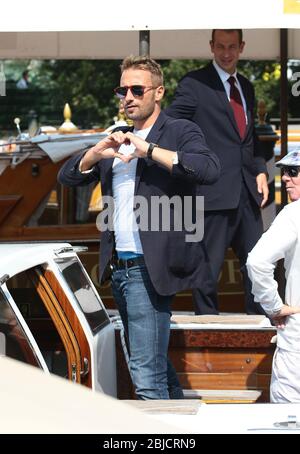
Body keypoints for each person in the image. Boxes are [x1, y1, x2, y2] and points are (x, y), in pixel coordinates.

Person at [58, 55, 220, 400]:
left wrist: (149, 150)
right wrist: (94, 154)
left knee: (146, 380)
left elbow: (207, 169)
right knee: (156, 371)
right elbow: (67, 177)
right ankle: (181, 425)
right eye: (122, 90)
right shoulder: (115, 137)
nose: (127, 97)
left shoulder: (179, 131)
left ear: (158, 92)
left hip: (150, 267)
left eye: (136, 89)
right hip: (120, 268)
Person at [165, 29, 269, 315]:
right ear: (211, 47)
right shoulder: (194, 84)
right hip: (210, 193)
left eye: (232, 47)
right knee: (207, 273)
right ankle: (207, 333)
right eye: (220, 46)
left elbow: (248, 139)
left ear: (242, 47)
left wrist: (260, 169)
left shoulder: (246, 86)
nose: (226, 53)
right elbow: (171, 125)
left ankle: (259, 332)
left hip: (247, 195)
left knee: (258, 266)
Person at [247, 150, 300, 403]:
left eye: (294, 172)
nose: (286, 179)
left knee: (288, 419)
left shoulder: (293, 214)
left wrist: (274, 307)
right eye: (284, 172)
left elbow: (257, 262)